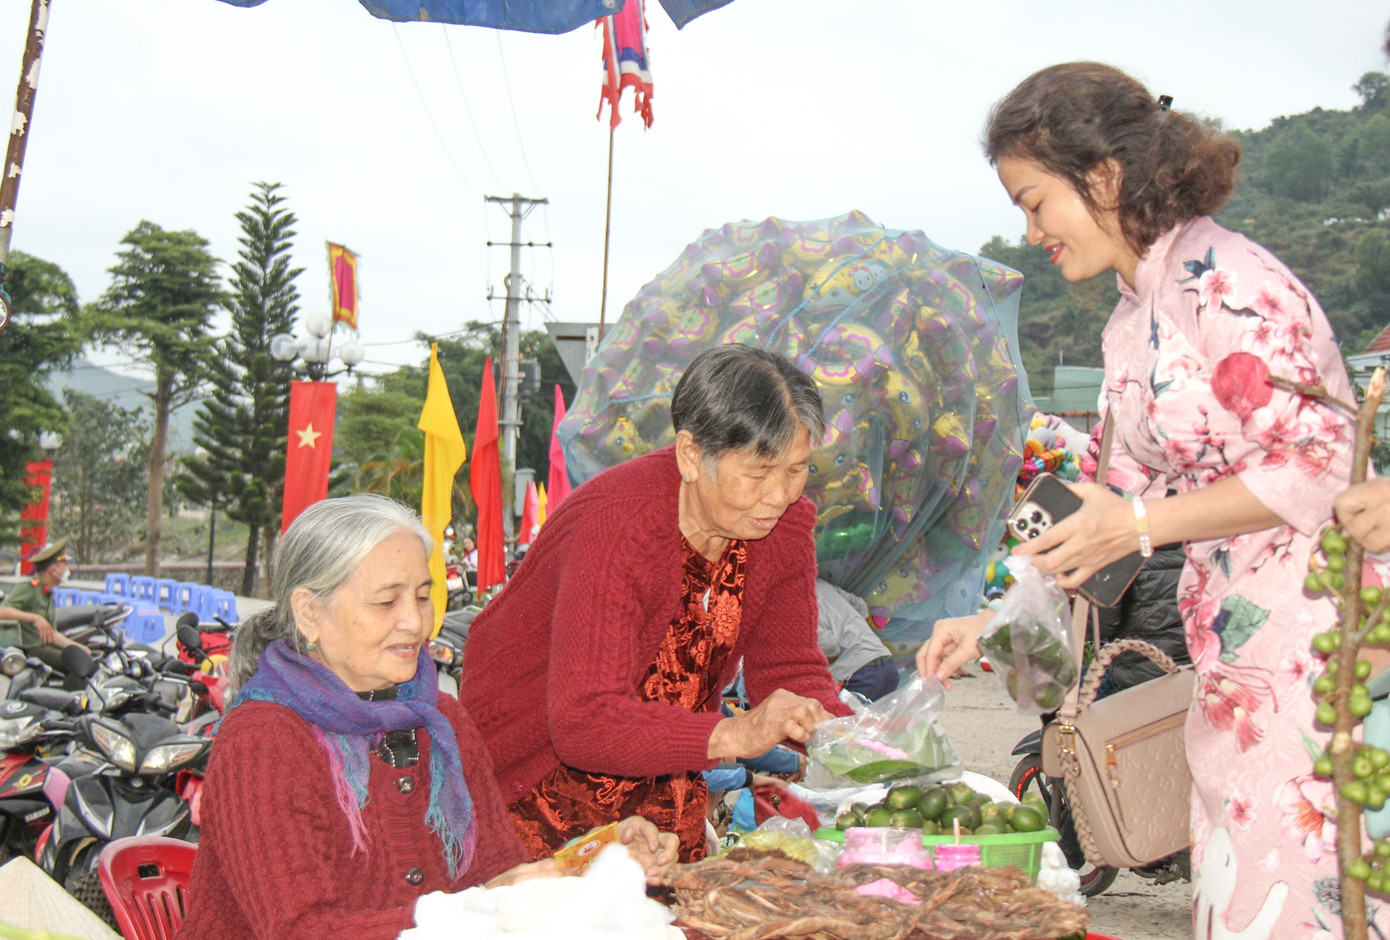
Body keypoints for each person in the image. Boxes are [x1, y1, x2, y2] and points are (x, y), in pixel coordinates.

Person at [918, 62, 1377, 938]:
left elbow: (1322, 467)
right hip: (1228, 654)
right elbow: (1101, 500)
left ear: (1103, 176)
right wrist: (992, 616)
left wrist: (1135, 523)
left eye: (1034, 200)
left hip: (1313, 646)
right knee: (1238, 884)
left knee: (1295, 887)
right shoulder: (1134, 316)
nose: (1030, 229)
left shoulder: (1227, 282)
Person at [179, 495, 676, 940]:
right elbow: (299, 930)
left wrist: (597, 859)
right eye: (386, 601)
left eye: (421, 596)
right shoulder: (265, 741)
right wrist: (472, 908)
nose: (416, 623)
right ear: (310, 613)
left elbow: (499, 875)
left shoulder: (442, 722)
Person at [461, 344, 851, 864]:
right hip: (538, 791)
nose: (779, 495)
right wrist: (737, 731)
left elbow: (790, 670)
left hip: (664, 796)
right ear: (691, 455)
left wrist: (861, 743)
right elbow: (583, 720)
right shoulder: (620, 526)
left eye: (797, 469)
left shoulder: (780, 529)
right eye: (758, 473)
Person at [1, 538, 89, 670]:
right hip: (29, 649)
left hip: (43, 646)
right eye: (64, 564)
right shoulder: (28, 587)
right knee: (75, 664)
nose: (67, 569)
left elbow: (51, 634)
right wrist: (34, 618)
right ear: (53, 570)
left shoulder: (47, 593)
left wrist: (75, 647)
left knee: (83, 658)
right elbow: (2, 612)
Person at [815, 579, 897, 701]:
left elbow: (831, 647)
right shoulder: (818, 583)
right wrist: (859, 633)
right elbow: (860, 604)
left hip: (859, 675)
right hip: (887, 664)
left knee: (836, 719)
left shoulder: (791, 609)